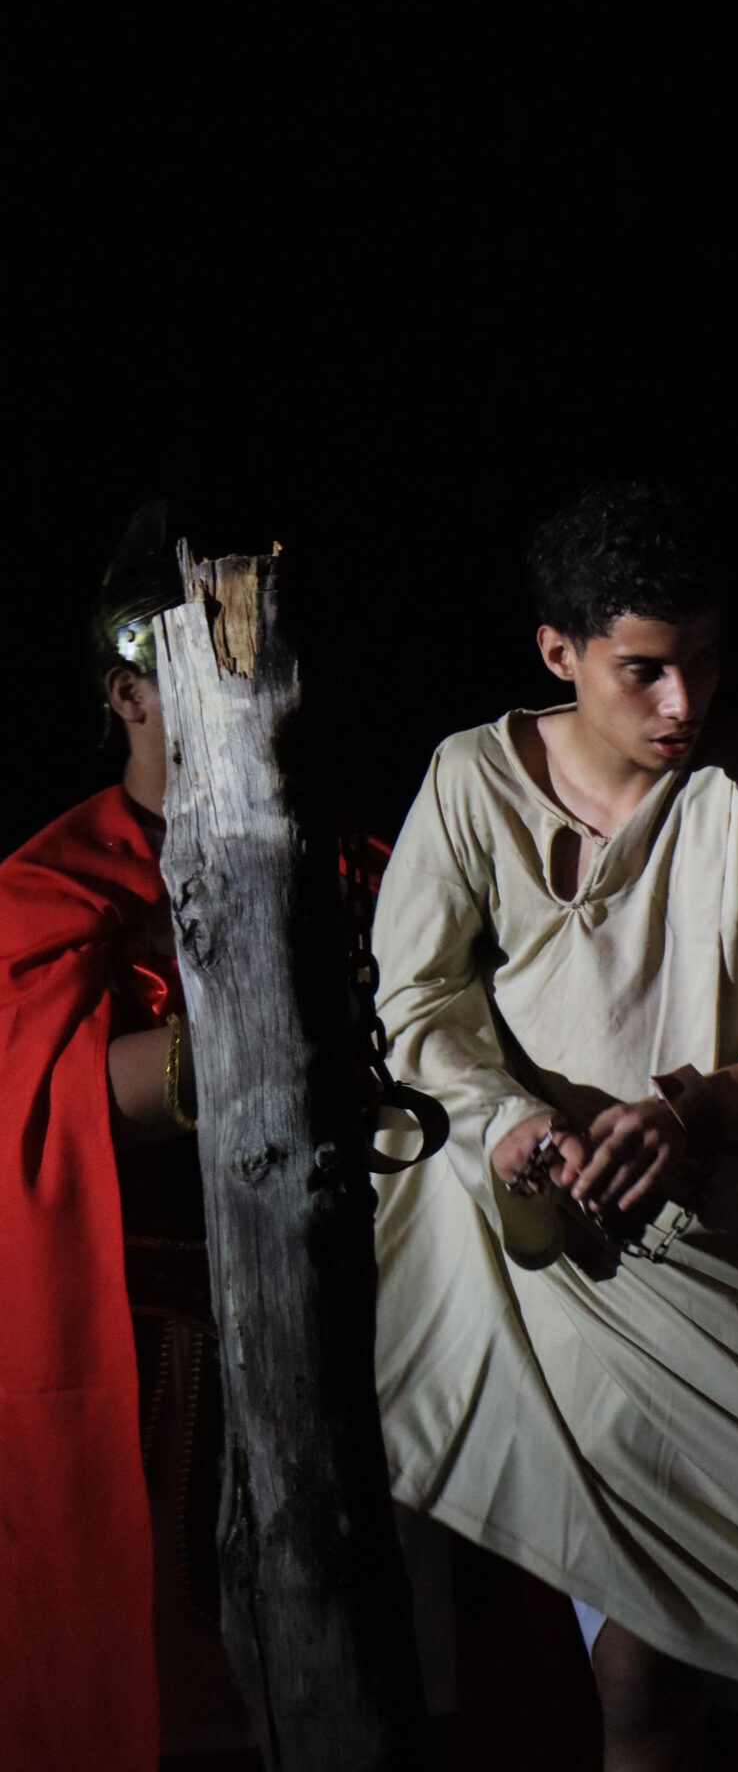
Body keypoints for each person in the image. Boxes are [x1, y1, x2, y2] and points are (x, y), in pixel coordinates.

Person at [370, 480, 738, 1772]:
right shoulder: (469, 779)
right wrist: (507, 1123)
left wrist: (700, 1104)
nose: (684, 703)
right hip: (584, 1280)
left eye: (704, 662)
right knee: (633, 1668)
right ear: (558, 653)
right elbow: (416, 1003)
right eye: (645, 671)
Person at [0, 503, 248, 1771]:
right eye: (209, 667)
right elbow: (44, 1103)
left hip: (353, 1307)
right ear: (129, 693)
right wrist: (257, 1036)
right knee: (163, 1675)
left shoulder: (347, 861)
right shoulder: (51, 886)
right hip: (146, 1333)